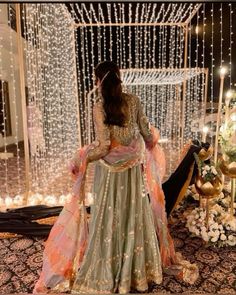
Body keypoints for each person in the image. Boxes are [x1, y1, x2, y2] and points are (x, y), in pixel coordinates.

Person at [33, 61, 198, 294]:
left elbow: (102, 148)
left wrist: (83, 158)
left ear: (99, 81)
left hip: (109, 174)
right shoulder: (133, 101)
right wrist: (150, 142)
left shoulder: (99, 107)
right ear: (119, 78)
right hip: (131, 171)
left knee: (108, 216)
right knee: (133, 214)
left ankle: (109, 268)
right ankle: (138, 272)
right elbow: (147, 136)